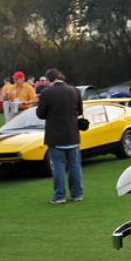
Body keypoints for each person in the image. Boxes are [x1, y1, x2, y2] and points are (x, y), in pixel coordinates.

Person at [36, 67, 84, 204]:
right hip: (72, 133)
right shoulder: (75, 91)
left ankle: (59, 196)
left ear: (49, 79)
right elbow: (79, 111)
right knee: (75, 165)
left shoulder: (46, 93)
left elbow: (40, 114)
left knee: (58, 167)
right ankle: (77, 194)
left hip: (55, 135)